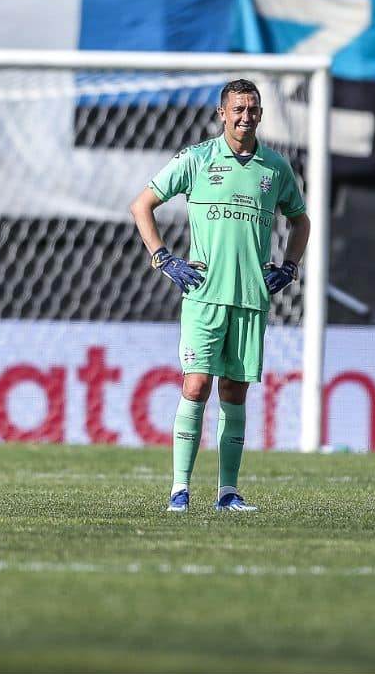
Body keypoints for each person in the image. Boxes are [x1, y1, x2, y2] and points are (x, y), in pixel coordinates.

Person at [129, 78, 310, 513]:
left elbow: (300, 221)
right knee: (195, 385)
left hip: (250, 298)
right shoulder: (197, 159)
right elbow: (142, 206)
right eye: (238, 109)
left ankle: (227, 492)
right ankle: (179, 490)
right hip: (204, 295)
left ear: (261, 115)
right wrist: (163, 258)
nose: (245, 117)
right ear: (221, 114)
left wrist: (289, 266)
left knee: (234, 391)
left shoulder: (275, 168)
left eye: (253, 109)